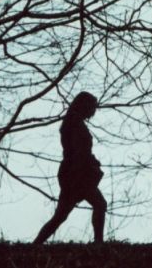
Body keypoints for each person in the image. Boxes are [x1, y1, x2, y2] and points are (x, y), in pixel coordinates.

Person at [34, 91, 107, 244]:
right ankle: (98, 243)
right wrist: (88, 164)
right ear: (84, 106)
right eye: (92, 107)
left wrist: (91, 161)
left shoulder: (73, 123)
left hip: (76, 173)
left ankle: (36, 244)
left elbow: (80, 151)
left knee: (61, 215)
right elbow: (78, 152)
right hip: (76, 174)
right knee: (97, 205)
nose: (94, 111)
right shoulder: (75, 125)